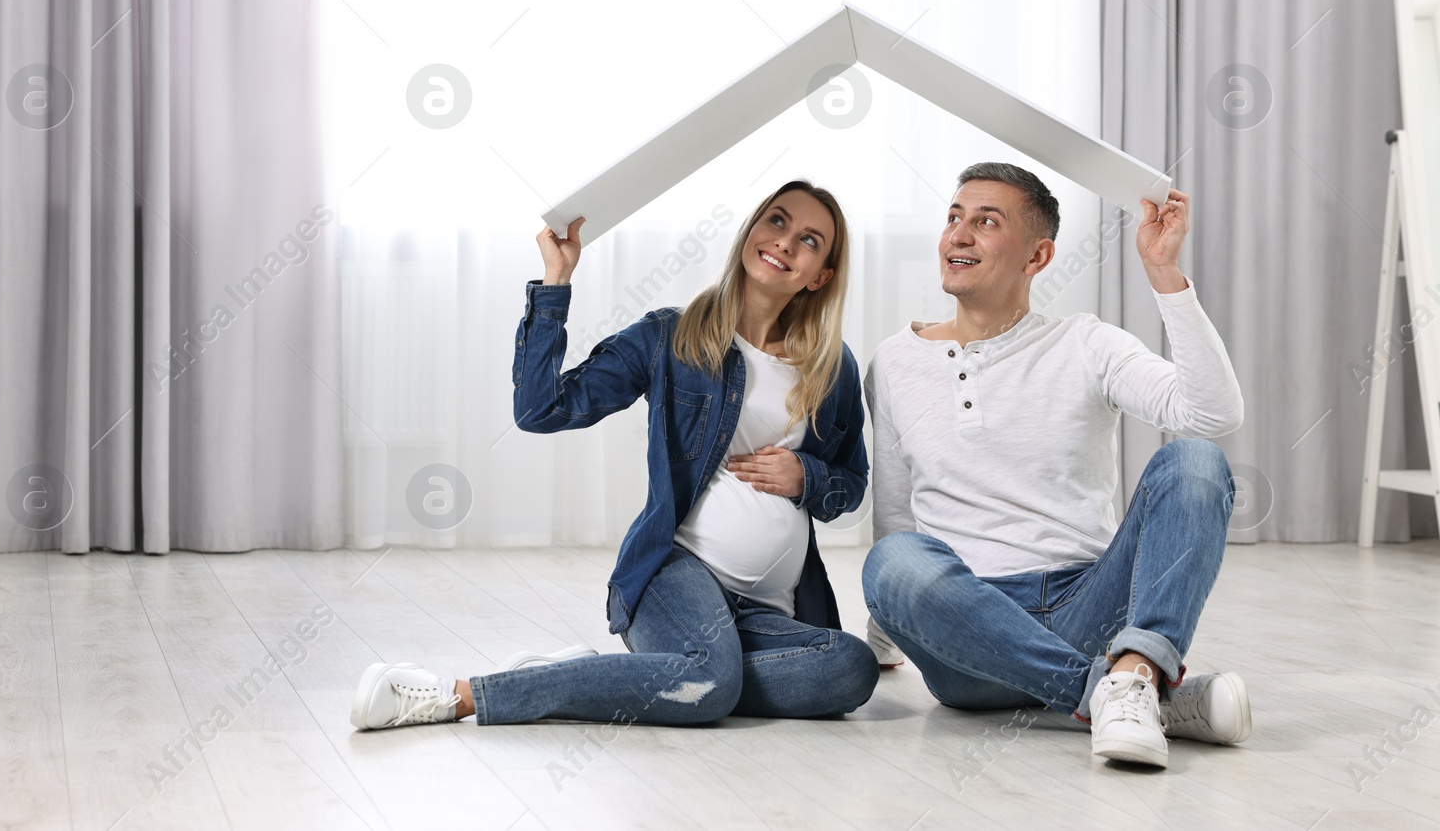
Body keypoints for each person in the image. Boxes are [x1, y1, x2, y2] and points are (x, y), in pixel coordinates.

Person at [351, 180, 878, 731]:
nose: (786, 241)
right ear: (751, 232)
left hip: (773, 612)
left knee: (849, 669)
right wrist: (556, 283)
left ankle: (662, 676)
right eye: (776, 220)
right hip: (673, 576)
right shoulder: (671, 336)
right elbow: (541, 410)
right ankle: (459, 695)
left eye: (810, 239)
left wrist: (806, 475)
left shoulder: (830, 366)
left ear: (821, 275)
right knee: (711, 684)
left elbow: (850, 488)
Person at [861, 162, 1248, 769]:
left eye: (986, 221)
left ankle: (1131, 671)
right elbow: (893, 506)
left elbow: (1213, 413)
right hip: (968, 638)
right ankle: (1130, 691)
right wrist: (888, 630)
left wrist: (1165, 273)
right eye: (954, 218)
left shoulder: (1087, 343)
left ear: (1037, 257)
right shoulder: (894, 361)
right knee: (892, 560)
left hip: (1087, 605)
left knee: (1195, 460)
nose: (958, 235)